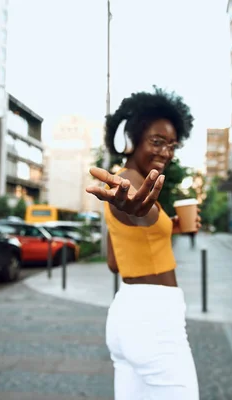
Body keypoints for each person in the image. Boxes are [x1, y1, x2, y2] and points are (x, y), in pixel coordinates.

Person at [86, 87, 201, 399]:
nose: (166, 152)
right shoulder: (130, 187)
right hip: (154, 321)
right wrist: (136, 209)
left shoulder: (130, 185)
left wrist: (169, 227)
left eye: (172, 145)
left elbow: (114, 262)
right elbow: (138, 207)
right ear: (130, 140)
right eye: (157, 141)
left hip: (126, 314)